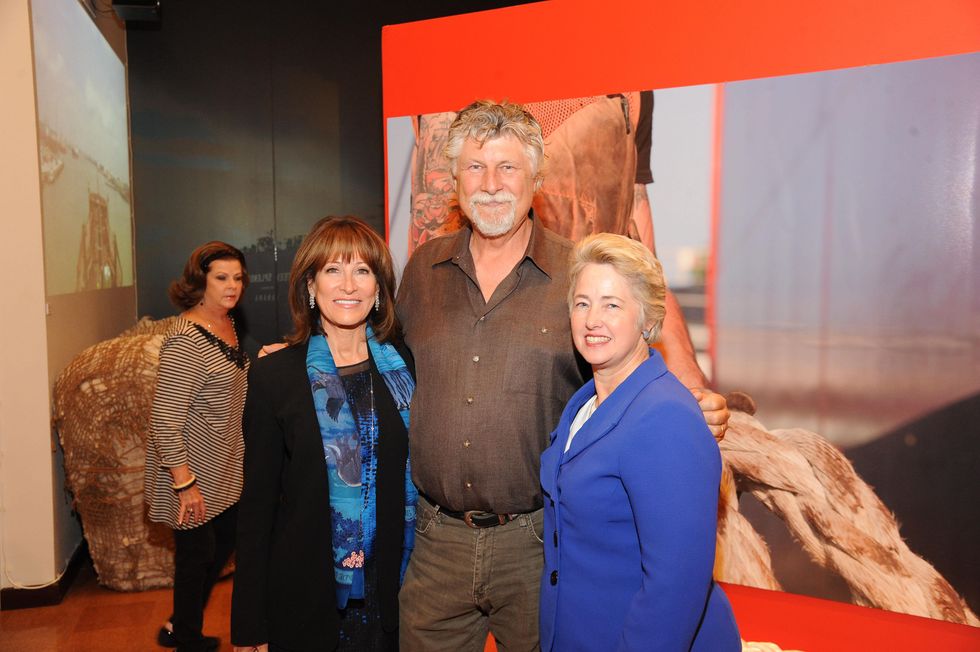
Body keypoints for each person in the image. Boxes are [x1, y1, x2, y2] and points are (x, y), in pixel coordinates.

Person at [396, 99, 729, 651]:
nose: (492, 184)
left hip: (537, 547)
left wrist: (689, 399)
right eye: (475, 167)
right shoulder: (421, 275)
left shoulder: (577, 278)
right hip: (438, 545)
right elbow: (380, 361)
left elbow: (625, 370)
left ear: (536, 179)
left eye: (509, 168)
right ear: (454, 179)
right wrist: (297, 351)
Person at [539, 233, 740, 651]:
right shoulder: (583, 405)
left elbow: (675, 586)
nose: (592, 319)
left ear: (647, 319)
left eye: (612, 304)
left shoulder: (665, 417)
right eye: (582, 303)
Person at [232, 216, 416, 652]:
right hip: (307, 595)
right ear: (311, 287)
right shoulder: (275, 376)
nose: (348, 285)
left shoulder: (403, 367)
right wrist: (248, 626)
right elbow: (257, 508)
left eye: (362, 271)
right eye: (333, 270)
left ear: (378, 290)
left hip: (397, 592)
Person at [144, 241, 250, 652]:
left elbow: (228, 379)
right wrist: (185, 484)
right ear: (199, 282)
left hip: (224, 466)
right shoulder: (185, 340)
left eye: (238, 278)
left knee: (218, 550)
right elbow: (165, 421)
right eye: (221, 278)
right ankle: (186, 638)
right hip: (190, 474)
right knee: (196, 560)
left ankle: (178, 624)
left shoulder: (226, 323)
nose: (232, 287)